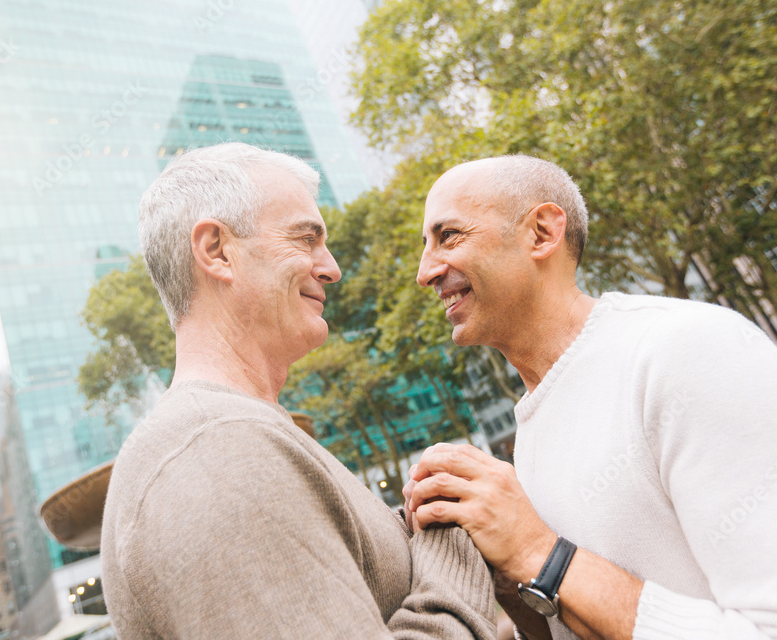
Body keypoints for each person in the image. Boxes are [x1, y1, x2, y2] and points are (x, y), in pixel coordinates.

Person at [406, 155, 777, 640]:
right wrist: (514, 586)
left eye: (448, 236)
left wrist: (538, 554)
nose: (425, 271)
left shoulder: (691, 350)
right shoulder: (531, 436)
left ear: (541, 233)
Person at [100, 143, 497, 639]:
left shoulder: (227, 437)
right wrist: (448, 536)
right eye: (306, 239)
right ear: (217, 251)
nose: (330, 267)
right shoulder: (216, 450)